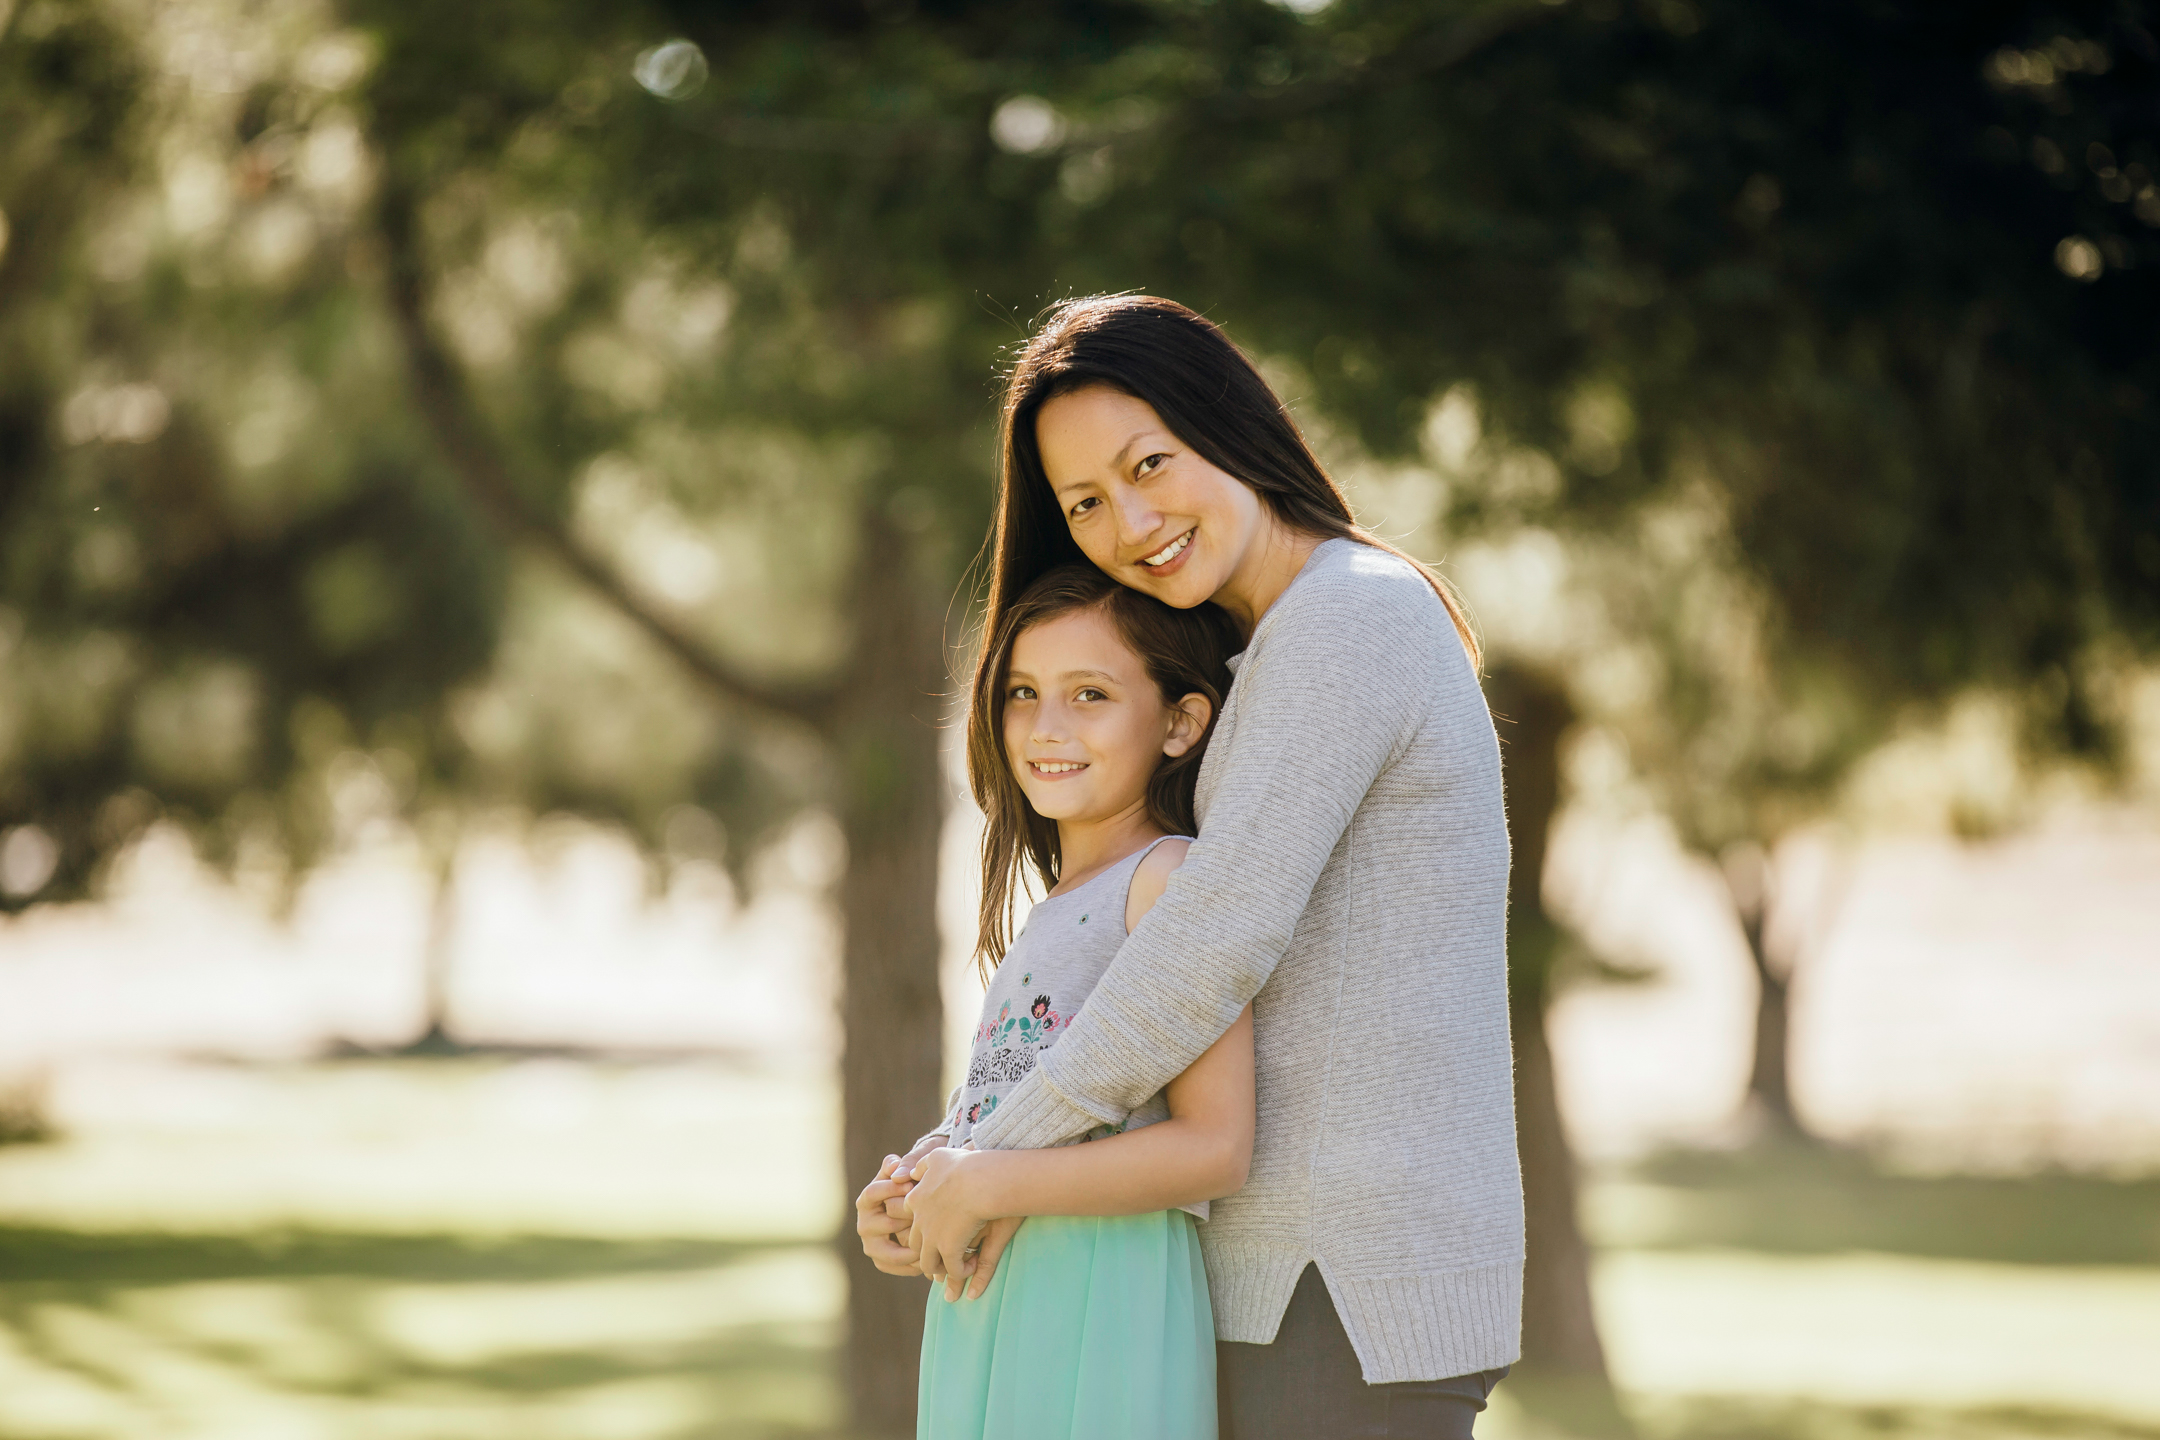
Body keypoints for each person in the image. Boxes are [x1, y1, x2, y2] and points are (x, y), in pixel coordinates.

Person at [860, 293, 1522, 1440]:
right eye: (1087, 504)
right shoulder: (1268, 650)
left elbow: (1214, 940)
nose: (1131, 520)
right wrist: (945, 1166)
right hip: (1282, 1272)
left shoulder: (1348, 619)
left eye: (1149, 464)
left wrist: (989, 1164)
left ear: (1225, 419)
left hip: (1353, 1272)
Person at [858, 560, 1254, 1439]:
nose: (1044, 726)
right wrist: (922, 1187)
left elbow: (1216, 1147)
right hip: (996, 1297)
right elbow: (1020, 1107)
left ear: (1183, 722)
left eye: (1090, 695)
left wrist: (989, 1180)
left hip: (1101, 1297)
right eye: (1023, 692)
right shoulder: (1053, 910)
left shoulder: (1167, 879)